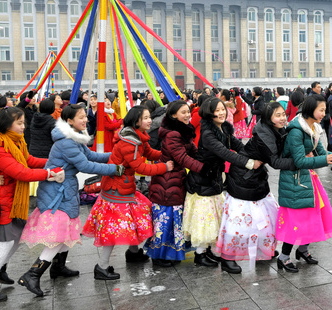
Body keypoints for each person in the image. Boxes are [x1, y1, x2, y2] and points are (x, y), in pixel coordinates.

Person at [18, 104, 121, 297]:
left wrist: (116, 155)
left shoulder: (75, 137)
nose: (85, 120)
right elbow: (85, 165)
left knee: (65, 232)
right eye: (81, 117)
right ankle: (32, 274)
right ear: (69, 121)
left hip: (65, 187)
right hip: (57, 192)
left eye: (85, 117)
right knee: (58, 236)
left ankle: (58, 268)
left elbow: (91, 155)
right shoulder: (66, 142)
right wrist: (115, 169)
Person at [82, 105, 173, 280]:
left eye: (149, 117)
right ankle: (101, 266)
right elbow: (141, 167)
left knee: (136, 217)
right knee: (116, 229)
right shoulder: (129, 142)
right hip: (116, 190)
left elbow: (150, 153)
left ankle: (133, 253)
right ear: (136, 121)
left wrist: (166, 155)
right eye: (146, 118)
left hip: (124, 186)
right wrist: (165, 166)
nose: (149, 120)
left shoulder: (138, 137)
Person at [0, 108, 62, 302]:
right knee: (4, 244)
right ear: (6, 125)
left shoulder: (15, 141)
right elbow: (21, 172)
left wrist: (53, 163)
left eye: (23, 122)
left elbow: (28, 161)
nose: (23, 126)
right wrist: (50, 174)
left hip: (13, 201)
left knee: (17, 238)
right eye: (19, 123)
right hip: (1, 202)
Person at [185, 98, 262, 274]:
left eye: (222, 109)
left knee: (216, 217)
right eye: (217, 110)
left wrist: (254, 154)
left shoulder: (224, 128)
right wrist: (249, 163)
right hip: (202, 179)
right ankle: (200, 254)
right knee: (204, 219)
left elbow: (236, 146)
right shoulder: (207, 133)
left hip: (215, 178)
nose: (221, 113)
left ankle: (210, 251)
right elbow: (225, 152)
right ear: (208, 113)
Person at [276, 94, 332, 272]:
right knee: (297, 219)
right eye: (321, 110)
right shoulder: (296, 130)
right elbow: (300, 161)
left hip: (307, 178)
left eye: (325, 110)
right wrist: (327, 160)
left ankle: (303, 250)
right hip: (295, 180)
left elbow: (321, 152)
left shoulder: (314, 127)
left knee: (311, 215)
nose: (324, 113)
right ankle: (283, 257)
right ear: (311, 110)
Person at [218, 102, 295, 269]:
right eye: (278, 115)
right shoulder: (264, 136)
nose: (282, 118)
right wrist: (300, 162)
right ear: (269, 118)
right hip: (243, 178)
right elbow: (275, 161)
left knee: (264, 219)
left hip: (256, 176)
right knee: (239, 222)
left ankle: (262, 251)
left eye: (283, 114)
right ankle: (228, 257)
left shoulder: (274, 129)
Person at [145, 100, 204, 267]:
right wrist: (203, 169)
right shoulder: (172, 134)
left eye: (188, 112)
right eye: (183, 112)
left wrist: (208, 160)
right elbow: (182, 158)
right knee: (165, 220)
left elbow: (193, 152)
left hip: (175, 180)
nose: (187, 115)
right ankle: (158, 256)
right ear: (173, 115)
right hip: (166, 183)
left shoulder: (182, 131)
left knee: (172, 220)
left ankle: (168, 253)